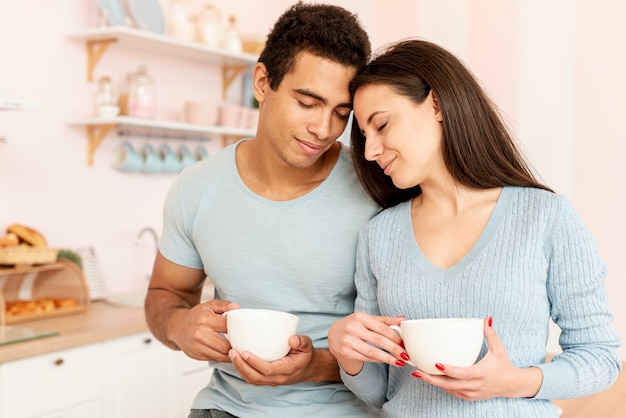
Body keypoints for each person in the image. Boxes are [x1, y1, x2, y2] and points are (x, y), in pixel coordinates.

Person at [327, 39, 622, 417]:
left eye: (381, 124)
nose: (369, 152)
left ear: (436, 104)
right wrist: (345, 350)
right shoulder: (379, 235)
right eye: (365, 136)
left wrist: (515, 381)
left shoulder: (545, 216)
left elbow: (600, 358)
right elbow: (379, 392)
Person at [144, 2, 381, 417]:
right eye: (307, 102)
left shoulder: (375, 190)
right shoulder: (195, 188)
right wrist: (179, 326)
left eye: (341, 113)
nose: (323, 129)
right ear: (262, 82)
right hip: (224, 407)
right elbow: (165, 295)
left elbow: (399, 343)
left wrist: (314, 367)